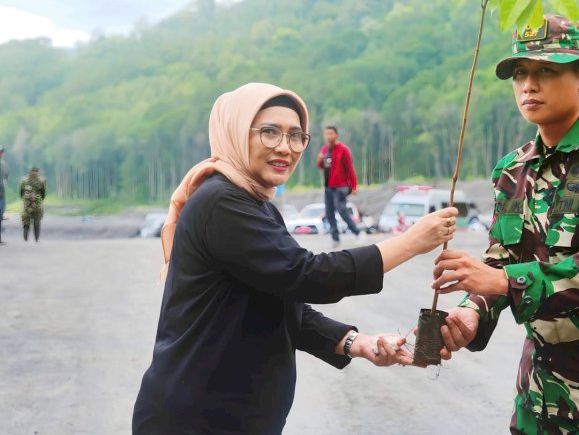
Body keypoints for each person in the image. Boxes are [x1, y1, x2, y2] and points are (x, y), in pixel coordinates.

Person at [132, 83, 458, 434]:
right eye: (270, 132)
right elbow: (306, 276)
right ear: (236, 132)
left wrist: (357, 343)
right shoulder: (221, 202)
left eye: (296, 136)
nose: (285, 148)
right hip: (198, 420)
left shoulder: (252, 204)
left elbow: (280, 300)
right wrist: (410, 243)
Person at [430, 15, 579, 434]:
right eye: (520, 73)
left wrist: (503, 283)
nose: (528, 85)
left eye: (546, 70)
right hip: (539, 393)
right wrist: (471, 313)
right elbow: (500, 260)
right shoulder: (512, 169)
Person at [317, 125, 362, 246]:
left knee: (342, 210)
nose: (328, 136)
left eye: (331, 133)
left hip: (340, 186)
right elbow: (322, 167)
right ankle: (335, 239)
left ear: (336, 135)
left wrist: (354, 185)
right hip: (328, 186)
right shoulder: (325, 149)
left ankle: (357, 232)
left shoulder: (343, 149)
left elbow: (350, 168)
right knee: (329, 213)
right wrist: (320, 159)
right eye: (326, 134)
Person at [19, 166, 46, 242]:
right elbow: (21, 192)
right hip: (28, 204)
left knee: (37, 221)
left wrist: (38, 200)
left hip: (36, 204)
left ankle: (36, 237)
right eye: (33, 171)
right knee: (26, 221)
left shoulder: (41, 181)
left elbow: (43, 193)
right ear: (30, 171)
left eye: (36, 171)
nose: (34, 172)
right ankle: (26, 237)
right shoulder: (24, 181)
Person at [0, 146, 8, 245]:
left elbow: (6, 177)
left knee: (0, 215)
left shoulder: (4, 165)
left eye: (2, 152)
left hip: (1, 194)